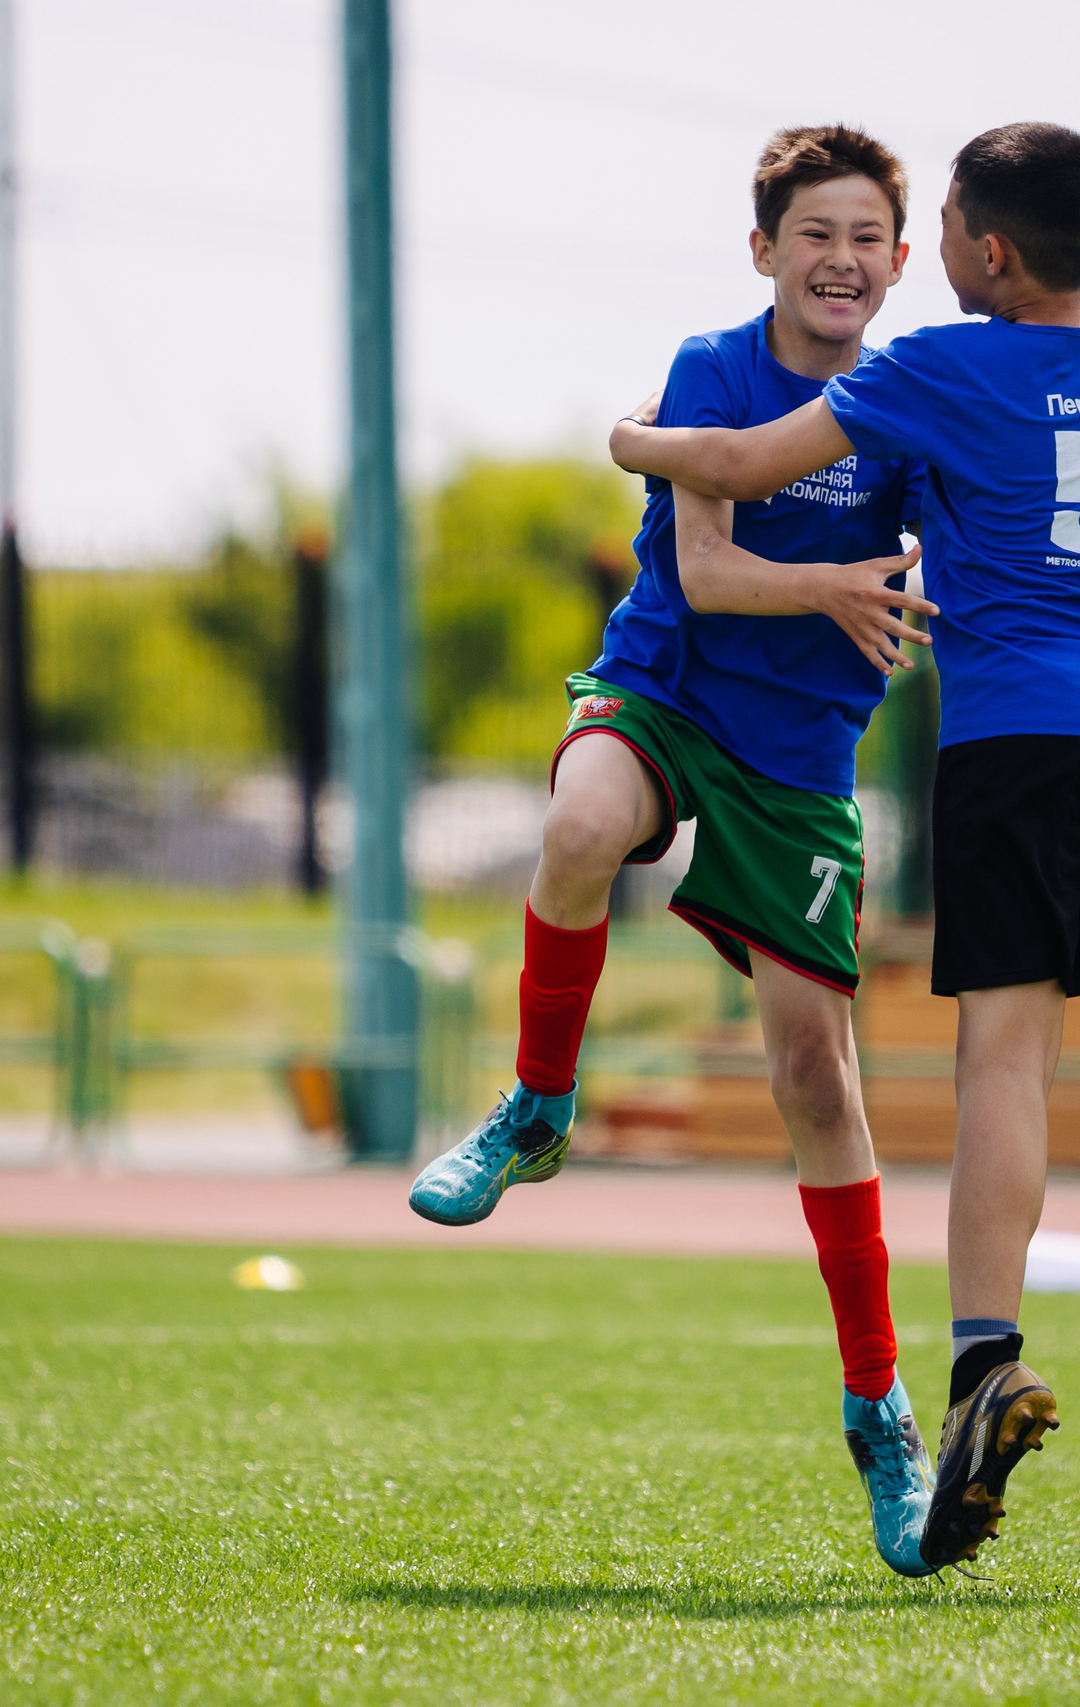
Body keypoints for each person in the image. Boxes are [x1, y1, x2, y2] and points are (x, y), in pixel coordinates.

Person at [611, 123, 1080, 1573]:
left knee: (1004, 1058)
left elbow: (745, 455)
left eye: (945, 225)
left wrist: (632, 439)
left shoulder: (935, 368)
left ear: (990, 253)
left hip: (1018, 743)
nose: (922, 253)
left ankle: (980, 1370)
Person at [404, 126, 942, 1575]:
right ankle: (534, 1106)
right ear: (762, 248)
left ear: (903, 261)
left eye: (866, 236)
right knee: (579, 820)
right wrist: (831, 577)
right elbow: (702, 570)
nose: (842, 257)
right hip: (667, 689)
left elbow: (997, 542)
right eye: (814, 231)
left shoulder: (917, 398)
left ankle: (879, 1401)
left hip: (798, 764)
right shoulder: (714, 367)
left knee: (814, 1076)